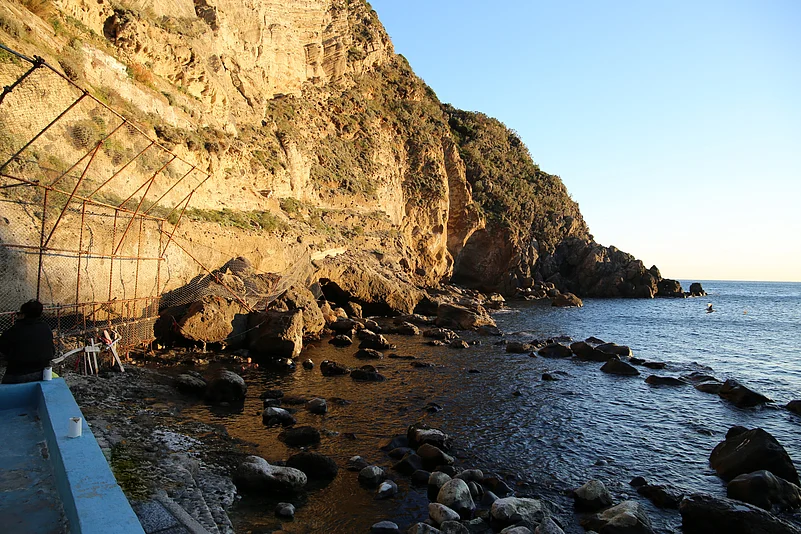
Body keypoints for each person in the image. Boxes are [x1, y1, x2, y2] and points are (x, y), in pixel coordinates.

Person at [0, 300, 54, 384]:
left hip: (17, 374)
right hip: (42, 373)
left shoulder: (14, 331)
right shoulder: (46, 328)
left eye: (18, 314)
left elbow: (3, 349)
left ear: (23, 315)